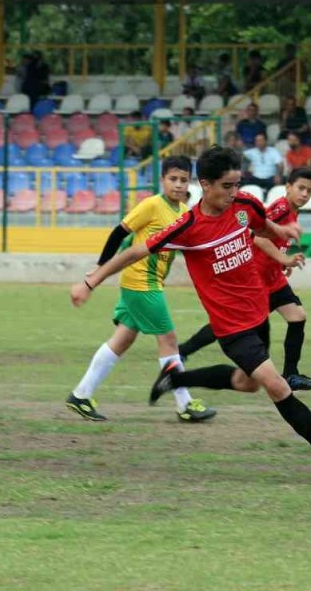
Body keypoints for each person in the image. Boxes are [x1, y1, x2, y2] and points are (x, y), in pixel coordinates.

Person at [71, 146, 311, 482]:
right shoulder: (188, 225)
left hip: (257, 314)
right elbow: (133, 251)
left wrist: (282, 233)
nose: (234, 193)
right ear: (205, 185)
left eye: (237, 184)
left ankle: (177, 378)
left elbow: (261, 226)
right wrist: (91, 281)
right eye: (226, 186)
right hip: (231, 327)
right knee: (277, 386)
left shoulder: (244, 205)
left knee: (247, 384)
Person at [65, 156, 216, 423]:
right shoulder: (151, 205)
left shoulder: (183, 213)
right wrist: (99, 267)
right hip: (141, 282)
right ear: (162, 180)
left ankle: (81, 394)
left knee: (122, 340)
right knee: (168, 341)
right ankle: (185, 404)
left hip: (149, 282)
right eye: (173, 179)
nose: (179, 185)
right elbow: (119, 234)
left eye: (184, 180)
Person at [178, 168, 311, 392]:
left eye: (309, 191)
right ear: (287, 187)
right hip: (257, 281)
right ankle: (183, 351)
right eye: (300, 188)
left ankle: (291, 374)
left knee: (297, 317)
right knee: (232, 326)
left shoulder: (292, 211)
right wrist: (283, 257)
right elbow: (258, 237)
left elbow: (274, 240)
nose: (304, 194)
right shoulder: (281, 209)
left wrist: (283, 262)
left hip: (273, 279)